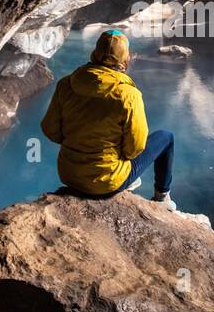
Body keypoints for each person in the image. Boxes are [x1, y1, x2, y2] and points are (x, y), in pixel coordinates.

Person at [40, 28, 176, 209]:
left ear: (95, 53)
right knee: (166, 137)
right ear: (125, 59)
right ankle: (161, 198)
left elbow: (51, 131)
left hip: (69, 175)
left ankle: (128, 180)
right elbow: (135, 147)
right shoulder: (128, 94)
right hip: (106, 183)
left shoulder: (66, 84)